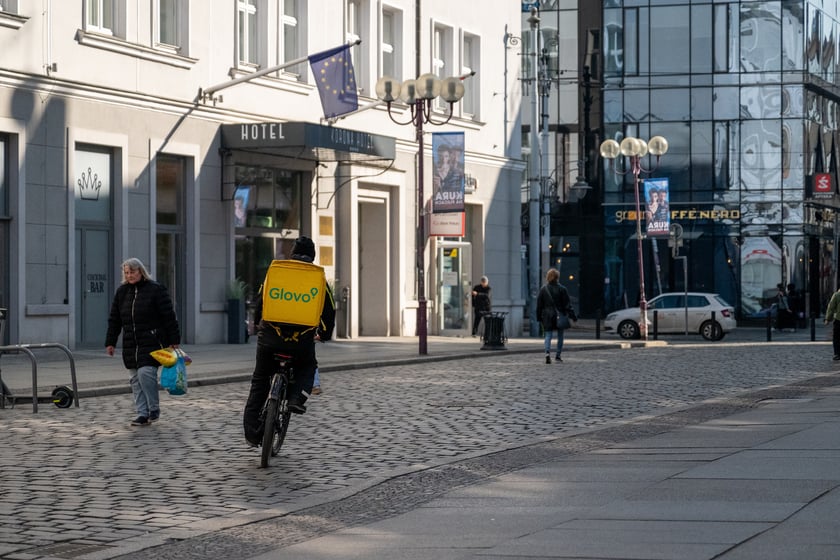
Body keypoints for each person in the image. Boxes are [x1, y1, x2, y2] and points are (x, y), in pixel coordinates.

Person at [242, 237, 336, 447]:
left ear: (292, 252)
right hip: (301, 341)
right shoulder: (317, 278)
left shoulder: (276, 271)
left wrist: (258, 323)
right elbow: (329, 311)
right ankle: (296, 400)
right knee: (307, 367)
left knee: (260, 381)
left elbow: (262, 299)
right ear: (312, 257)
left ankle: (251, 433)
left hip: (270, 338)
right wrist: (325, 334)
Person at [105, 257, 181, 427]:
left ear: (141, 271)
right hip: (130, 343)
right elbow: (114, 319)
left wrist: (173, 340)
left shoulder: (155, 290)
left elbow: (169, 316)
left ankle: (154, 408)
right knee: (134, 379)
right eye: (126, 272)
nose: (129, 275)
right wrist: (110, 342)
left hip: (151, 341)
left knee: (145, 374)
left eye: (132, 272)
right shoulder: (122, 292)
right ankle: (142, 413)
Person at [536, 268, 577, 364]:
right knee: (560, 335)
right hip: (560, 315)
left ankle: (547, 353)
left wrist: (539, 317)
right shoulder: (562, 289)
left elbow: (539, 306)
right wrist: (573, 316)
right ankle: (558, 355)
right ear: (557, 277)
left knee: (548, 335)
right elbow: (568, 305)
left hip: (547, 316)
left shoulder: (543, 289)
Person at [825, 286, 840, 361]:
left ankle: (837, 354)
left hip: (838, 319)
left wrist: (828, 319)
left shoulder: (837, 295)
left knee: (837, 337)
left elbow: (831, 307)